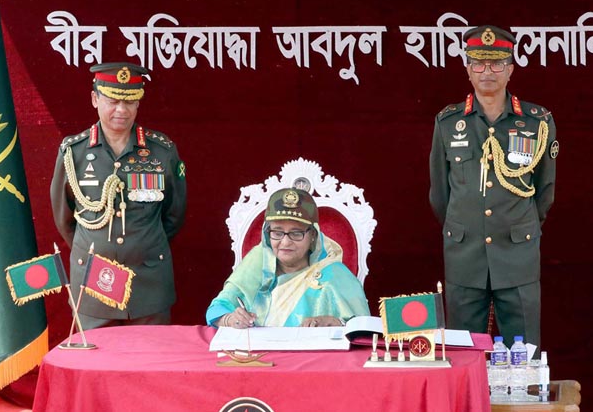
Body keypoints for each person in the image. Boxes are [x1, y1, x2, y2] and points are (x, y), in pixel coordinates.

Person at [429, 25, 558, 352]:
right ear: (467, 69)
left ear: (510, 69)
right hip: (464, 256)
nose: (487, 71)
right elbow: (440, 195)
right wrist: (467, 225)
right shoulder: (448, 122)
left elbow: (544, 191)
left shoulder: (537, 122)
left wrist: (518, 226)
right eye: (478, 63)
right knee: (464, 354)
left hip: (517, 254)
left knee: (524, 354)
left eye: (497, 63)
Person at [50, 62, 187, 329]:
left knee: (150, 355)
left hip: (148, 283)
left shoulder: (162, 151)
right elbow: (64, 219)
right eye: (113, 101)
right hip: (93, 284)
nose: (122, 110)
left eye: (130, 102)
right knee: (97, 355)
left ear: (138, 104)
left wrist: (140, 247)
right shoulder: (73, 152)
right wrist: (98, 246)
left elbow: (174, 214)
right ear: (95, 99)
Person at [206, 187, 370, 328]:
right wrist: (229, 319)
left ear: (313, 235)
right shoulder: (257, 263)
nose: (285, 242)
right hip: (255, 354)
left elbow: (363, 328)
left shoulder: (334, 275)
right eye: (277, 232)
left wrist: (336, 322)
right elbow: (216, 310)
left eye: (296, 233)